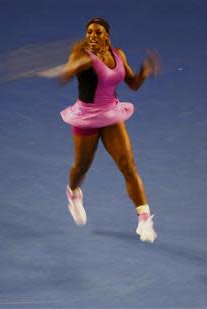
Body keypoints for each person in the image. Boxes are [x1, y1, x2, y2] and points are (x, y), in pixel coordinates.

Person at [58, 17, 160, 243]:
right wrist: (74, 63)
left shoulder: (118, 55)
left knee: (128, 165)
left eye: (97, 32)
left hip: (111, 114)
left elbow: (132, 84)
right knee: (81, 167)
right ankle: (73, 193)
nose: (92, 36)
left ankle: (144, 218)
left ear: (107, 36)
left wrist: (144, 71)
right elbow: (64, 78)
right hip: (86, 117)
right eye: (89, 33)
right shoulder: (81, 55)